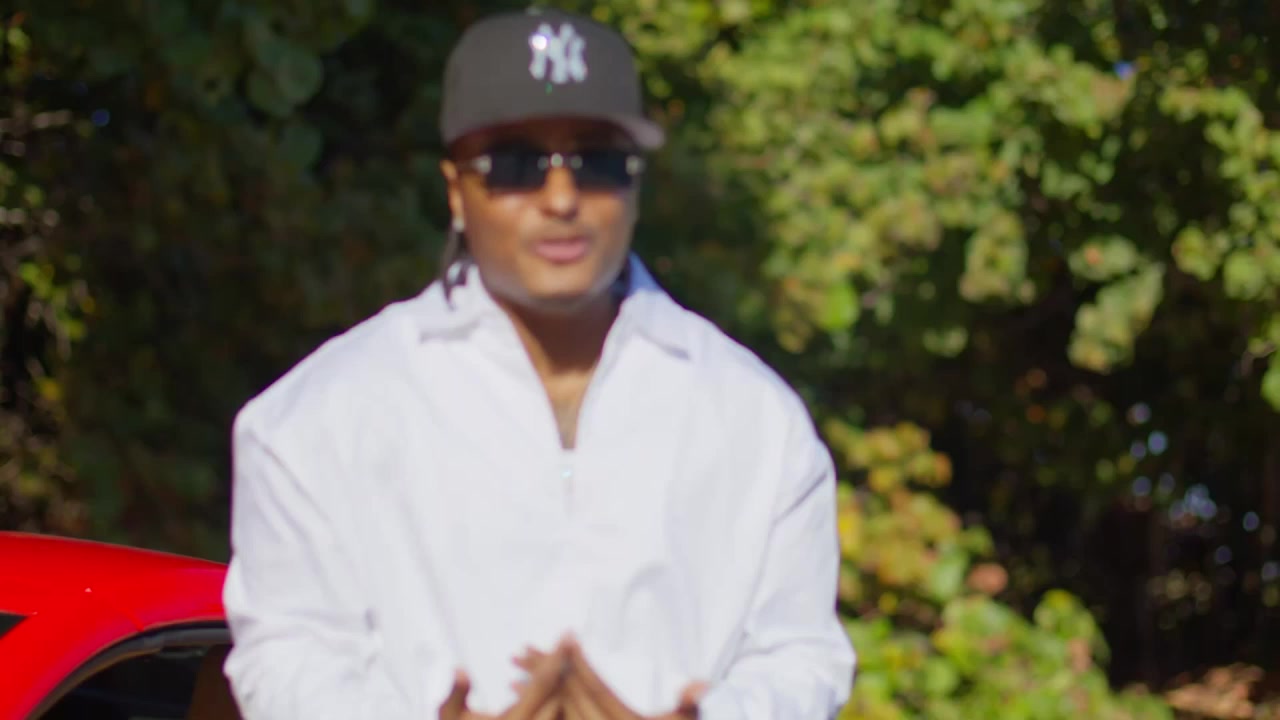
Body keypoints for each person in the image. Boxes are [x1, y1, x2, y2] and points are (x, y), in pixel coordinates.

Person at [220, 7, 855, 720]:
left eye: (598, 163)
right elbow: (286, 653)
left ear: (637, 186)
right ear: (456, 190)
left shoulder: (754, 415)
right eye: (515, 165)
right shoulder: (317, 416)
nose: (561, 199)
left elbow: (801, 654)